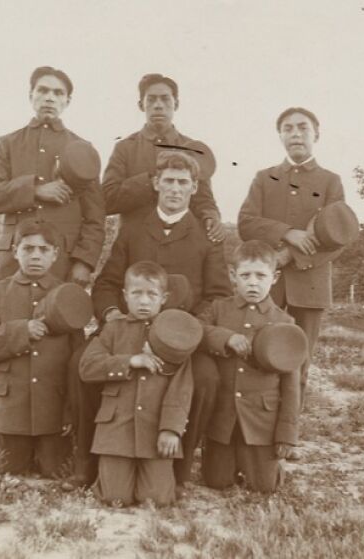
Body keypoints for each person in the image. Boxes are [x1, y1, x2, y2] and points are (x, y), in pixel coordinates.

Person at [87, 150, 232, 490]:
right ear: (155, 183)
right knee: (80, 366)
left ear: (195, 188)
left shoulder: (207, 237)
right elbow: (106, 283)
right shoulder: (133, 230)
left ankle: (177, 463)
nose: (175, 189)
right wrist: (112, 316)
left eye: (183, 183)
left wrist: (187, 331)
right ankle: (89, 459)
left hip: (184, 341)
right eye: (168, 181)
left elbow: (218, 294)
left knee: (208, 379)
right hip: (128, 333)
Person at [238, 107, 345, 429]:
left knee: (298, 360)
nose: (295, 134)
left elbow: (339, 237)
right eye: (288, 128)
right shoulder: (263, 178)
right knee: (257, 353)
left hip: (310, 287)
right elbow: (246, 223)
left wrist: (289, 257)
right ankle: (254, 429)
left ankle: (287, 434)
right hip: (266, 287)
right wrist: (287, 233)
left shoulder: (330, 181)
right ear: (280, 136)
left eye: (302, 127)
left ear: (316, 134)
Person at [0, 220, 79, 477]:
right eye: (28, 249)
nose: (36, 256)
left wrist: (70, 413)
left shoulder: (67, 295)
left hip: (52, 414)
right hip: (11, 411)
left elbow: (77, 362)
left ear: (55, 254)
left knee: (56, 471)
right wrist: (21, 331)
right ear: (15, 251)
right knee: (10, 471)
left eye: (43, 249)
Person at [79, 261, 193, 506]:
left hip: (156, 430)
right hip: (116, 428)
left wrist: (171, 429)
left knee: (156, 500)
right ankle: (110, 477)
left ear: (164, 298)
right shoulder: (113, 330)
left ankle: (162, 480)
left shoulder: (175, 335)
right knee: (114, 497)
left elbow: (182, 387)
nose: (143, 301)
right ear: (124, 296)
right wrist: (130, 361)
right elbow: (87, 367)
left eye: (151, 294)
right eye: (136, 294)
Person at [0, 65, 105, 283]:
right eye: (43, 91)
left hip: (62, 262)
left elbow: (95, 218)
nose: (49, 98)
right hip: (13, 262)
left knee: (56, 317)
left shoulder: (83, 150)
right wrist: (35, 190)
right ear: (31, 95)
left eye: (58, 93)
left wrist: (83, 262)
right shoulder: (9, 144)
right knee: (10, 315)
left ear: (67, 101)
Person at [198, 240, 299, 493]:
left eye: (260, 276)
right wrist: (225, 338)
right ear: (233, 276)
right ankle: (227, 459)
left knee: (265, 486)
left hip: (261, 423)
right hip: (224, 420)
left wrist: (286, 434)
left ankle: (263, 463)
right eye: (245, 275)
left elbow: (291, 385)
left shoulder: (285, 322)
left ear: (274, 277)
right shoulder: (219, 309)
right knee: (216, 482)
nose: (253, 283)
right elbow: (197, 331)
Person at [102, 73, 225, 243]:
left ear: (176, 104)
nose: (158, 105)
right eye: (151, 99)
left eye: (165, 99)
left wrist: (211, 216)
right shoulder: (125, 148)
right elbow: (108, 200)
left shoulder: (192, 148)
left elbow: (204, 199)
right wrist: (152, 180)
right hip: (134, 246)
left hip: (181, 244)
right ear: (141, 105)